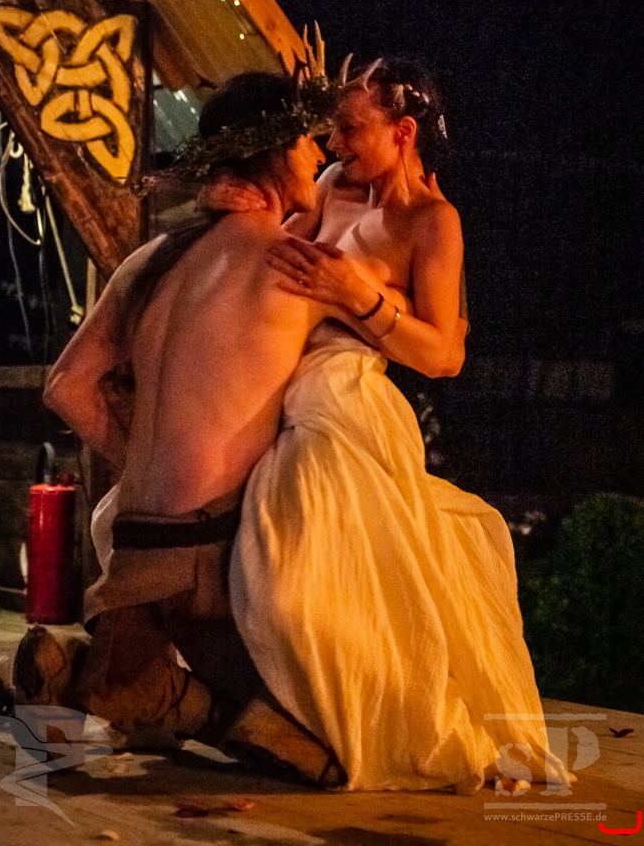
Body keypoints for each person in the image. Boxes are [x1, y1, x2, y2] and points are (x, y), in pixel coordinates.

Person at [212, 57, 569, 793]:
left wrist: (359, 297)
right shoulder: (326, 187)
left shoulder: (431, 222)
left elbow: (443, 354)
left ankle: (357, 723)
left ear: (402, 132)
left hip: (342, 395)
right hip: (271, 381)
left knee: (290, 582)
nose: (334, 142)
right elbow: (275, 252)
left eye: (351, 128)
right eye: (333, 129)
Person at [20, 70, 359, 784]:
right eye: (305, 139)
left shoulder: (150, 260)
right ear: (271, 149)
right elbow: (436, 351)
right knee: (329, 748)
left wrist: (145, 459)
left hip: (132, 544)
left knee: (207, 703)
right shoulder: (298, 265)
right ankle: (130, 686)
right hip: (210, 561)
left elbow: (65, 388)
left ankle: (95, 674)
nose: (317, 153)